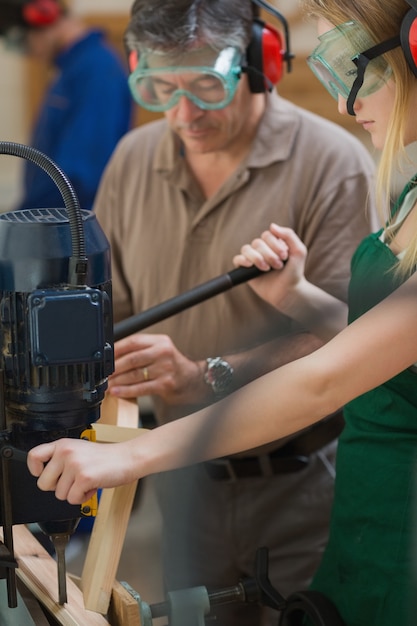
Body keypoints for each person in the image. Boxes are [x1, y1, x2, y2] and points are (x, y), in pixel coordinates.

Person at [27, 0, 417, 624]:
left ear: (258, 67)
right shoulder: (133, 159)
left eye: (206, 86)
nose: (183, 113)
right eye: (158, 88)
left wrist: (145, 438)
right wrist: (295, 295)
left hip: (328, 487)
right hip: (224, 486)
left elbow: (331, 375)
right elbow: (374, 334)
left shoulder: (336, 162)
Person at [0, 0, 133, 211]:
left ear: (44, 15)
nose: (30, 53)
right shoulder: (70, 69)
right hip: (55, 220)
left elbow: (80, 173)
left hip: (74, 224)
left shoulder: (96, 70)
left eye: (22, 41)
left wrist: (28, 217)